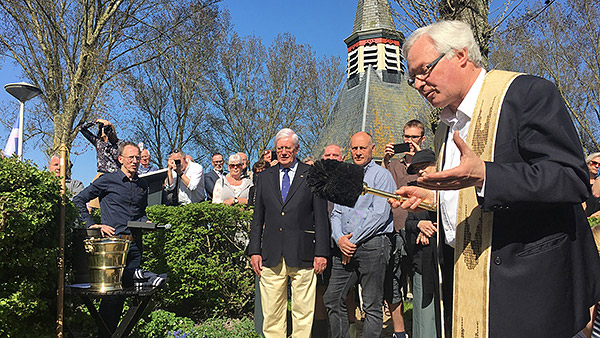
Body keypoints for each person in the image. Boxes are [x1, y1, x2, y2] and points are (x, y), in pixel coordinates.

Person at [391, 20, 600, 337]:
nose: (419, 83)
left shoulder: (527, 94)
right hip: (465, 287)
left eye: (425, 69)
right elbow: (468, 192)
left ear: (461, 55)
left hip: (528, 290)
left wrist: (488, 175)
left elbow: (570, 178)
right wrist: (436, 200)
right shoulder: (446, 127)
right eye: (413, 77)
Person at [248, 128, 329, 338]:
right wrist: (254, 250)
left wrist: (321, 252)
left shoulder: (312, 175)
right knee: (272, 312)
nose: (283, 152)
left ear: (296, 149)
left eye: (288, 148)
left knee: (303, 312)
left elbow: (321, 217)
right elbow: (257, 218)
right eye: (280, 148)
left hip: (303, 253)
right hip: (271, 253)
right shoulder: (264, 177)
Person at [324, 132, 395, 338]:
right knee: (332, 298)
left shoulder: (382, 176)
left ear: (372, 149)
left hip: (372, 244)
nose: (358, 152)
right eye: (354, 148)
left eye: (362, 148)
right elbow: (336, 212)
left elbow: (379, 214)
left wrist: (351, 241)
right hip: (344, 244)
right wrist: (339, 239)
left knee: (372, 304)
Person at [73, 141, 148, 334]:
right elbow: (79, 200)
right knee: (112, 297)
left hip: (135, 248)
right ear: (120, 159)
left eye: (137, 158)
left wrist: (146, 222)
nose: (135, 161)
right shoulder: (107, 180)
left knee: (133, 297)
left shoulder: (142, 185)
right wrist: (92, 225)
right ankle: (104, 334)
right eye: (131, 157)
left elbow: (141, 213)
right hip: (113, 247)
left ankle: (119, 333)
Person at [382, 119, 427, 338]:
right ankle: (400, 332)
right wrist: (386, 160)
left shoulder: (428, 162)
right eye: (406, 137)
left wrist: (420, 159)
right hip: (396, 228)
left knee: (419, 281)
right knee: (393, 282)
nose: (409, 141)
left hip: (421, 230)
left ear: (422, 139)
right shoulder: (394, 164)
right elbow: (381, 187)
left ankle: (422, 328)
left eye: (414, 137)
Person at [404, 149, 440, 338]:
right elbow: (408, 223)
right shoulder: (414, 191)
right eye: (417, 169)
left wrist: (431, 230)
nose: (420, 172)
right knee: (423, 318)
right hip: (422, 262)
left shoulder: (450, 190)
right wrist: (419, 224)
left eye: (424, 166)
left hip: (444, 263)